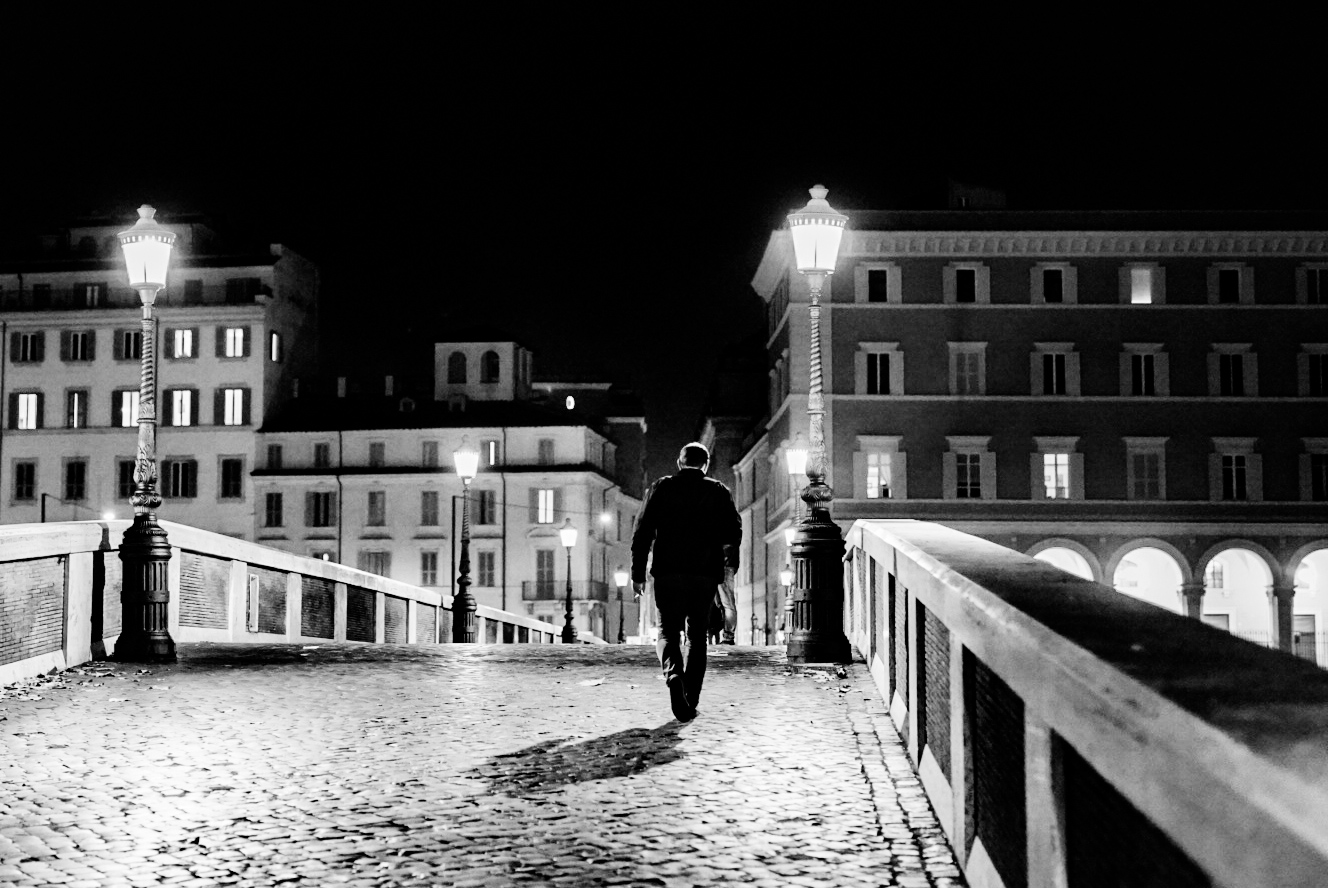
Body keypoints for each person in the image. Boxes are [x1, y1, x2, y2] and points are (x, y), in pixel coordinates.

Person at [632, 442, 741, 722]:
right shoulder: (718, 491)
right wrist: (717, 549)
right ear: (705, 465)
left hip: (668, 573)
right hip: (704, 575)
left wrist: (637, 575)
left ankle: (673, 677)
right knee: (697, 637)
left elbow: (642, 532)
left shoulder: (662, 487)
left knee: (667, 633)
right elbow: (734, 532)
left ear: (679, 463)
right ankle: (690, 698)